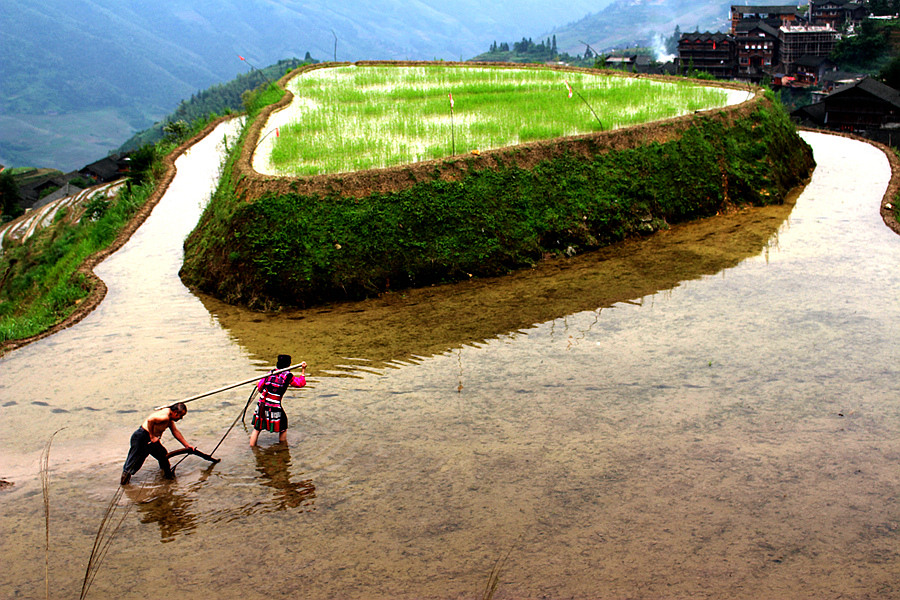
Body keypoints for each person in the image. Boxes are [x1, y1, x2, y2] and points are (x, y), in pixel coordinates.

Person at [120, 402, 195, 485]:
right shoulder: (165, 417)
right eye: (181, 416)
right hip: (142, 437)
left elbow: (175, 432)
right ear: (175, 412)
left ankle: (167, 477)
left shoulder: (169, 419)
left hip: (151, 439)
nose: (181, 418)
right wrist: (152, 436)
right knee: (134, 462)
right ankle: (124, 483)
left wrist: (187, 445)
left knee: (163, 455)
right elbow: (150, 420)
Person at [250, 355, 306, 447]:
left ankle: (252, 448)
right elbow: (300, 383)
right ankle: (283, 448)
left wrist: (258, 384)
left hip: (261, 404)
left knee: (257, 428)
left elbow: (260, 388)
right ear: (289, 365)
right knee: (283, 426)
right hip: (273, 405)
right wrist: (303, 370)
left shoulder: (270, 373)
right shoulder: (288, 376)